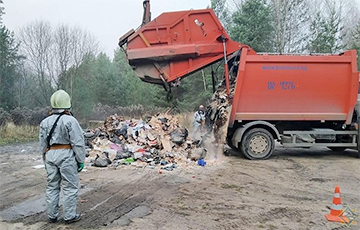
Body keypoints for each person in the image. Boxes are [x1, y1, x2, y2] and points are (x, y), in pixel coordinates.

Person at [39, 89, 86, 224]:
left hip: (50, 155)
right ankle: (69, 216)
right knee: (69, 187)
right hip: (66, 155)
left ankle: (52, 215)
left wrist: (44, 159)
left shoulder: (45, 122)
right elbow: (77, 142)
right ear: (67, 104)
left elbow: (42, 143)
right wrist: (80, 160)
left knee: (52, 186)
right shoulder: (70, 120)